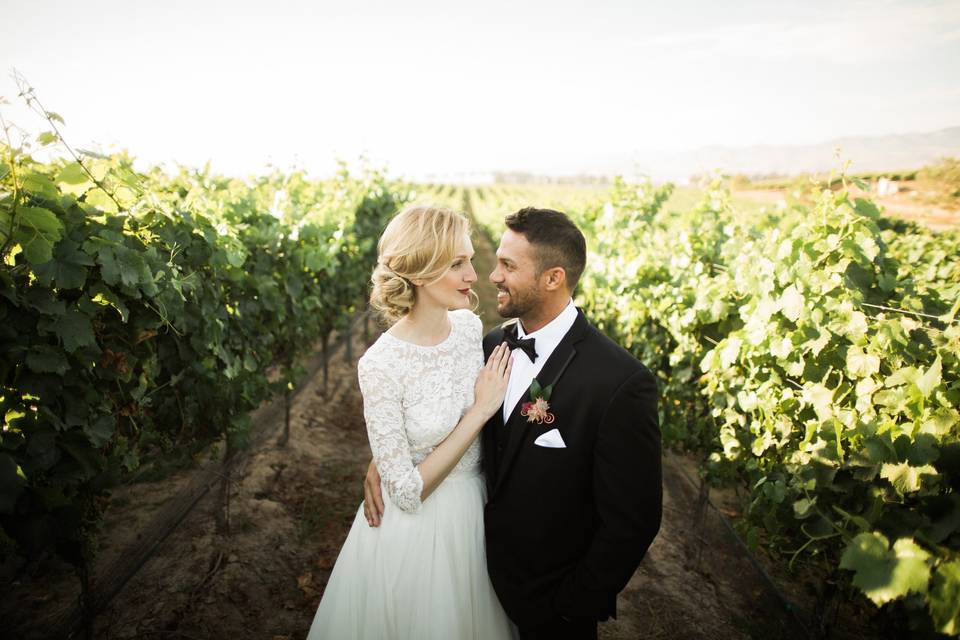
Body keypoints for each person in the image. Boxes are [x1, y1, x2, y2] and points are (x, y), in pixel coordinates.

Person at [364, 207, 662, 640]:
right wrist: (388, 455)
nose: (491, 276)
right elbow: (445, 415)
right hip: (470, 570)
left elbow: (634, 520)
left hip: (553, 607)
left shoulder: (619, 382)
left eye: (508, 265)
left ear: (553, 278)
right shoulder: (486, 343)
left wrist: (572, 605)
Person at [307, 205, 515, 639]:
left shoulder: (467, 329)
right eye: (457, 264)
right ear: (419, 273)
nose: (472, 275)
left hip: (474, 514)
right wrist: (479, 412)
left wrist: (383, 458)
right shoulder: (381, 364)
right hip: (418, 534)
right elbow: (404, 492)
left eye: (468, 261)